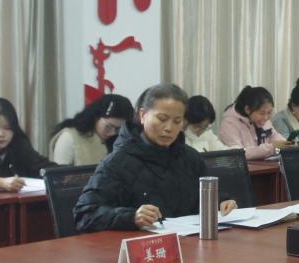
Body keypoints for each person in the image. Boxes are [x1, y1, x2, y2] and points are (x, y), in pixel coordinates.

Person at [74, 83, 236, 233]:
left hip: (190, 243)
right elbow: (85, 214)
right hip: (142, 247)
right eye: (162, 119)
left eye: (177, 121)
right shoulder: (118, 162)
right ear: (143, 115)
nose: (169, 128)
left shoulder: (190, 158)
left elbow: (200, 198)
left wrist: (221, 202)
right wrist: (131, 217)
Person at [48, 94, 135, 166]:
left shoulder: (121, 141)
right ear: (96, 117)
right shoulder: (69, 137)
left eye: (118, 129)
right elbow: (59, 177)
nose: (112, 133)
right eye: (108, 126)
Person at [219, 86, 289, 160]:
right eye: (262, 113)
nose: (266, 118)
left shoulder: (263, 121)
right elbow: (238, 154)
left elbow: (274, 136)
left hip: (262, 165)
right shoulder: (229, 124)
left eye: (269, 112)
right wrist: (271, 147)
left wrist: (287, 144)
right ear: (247, 109)